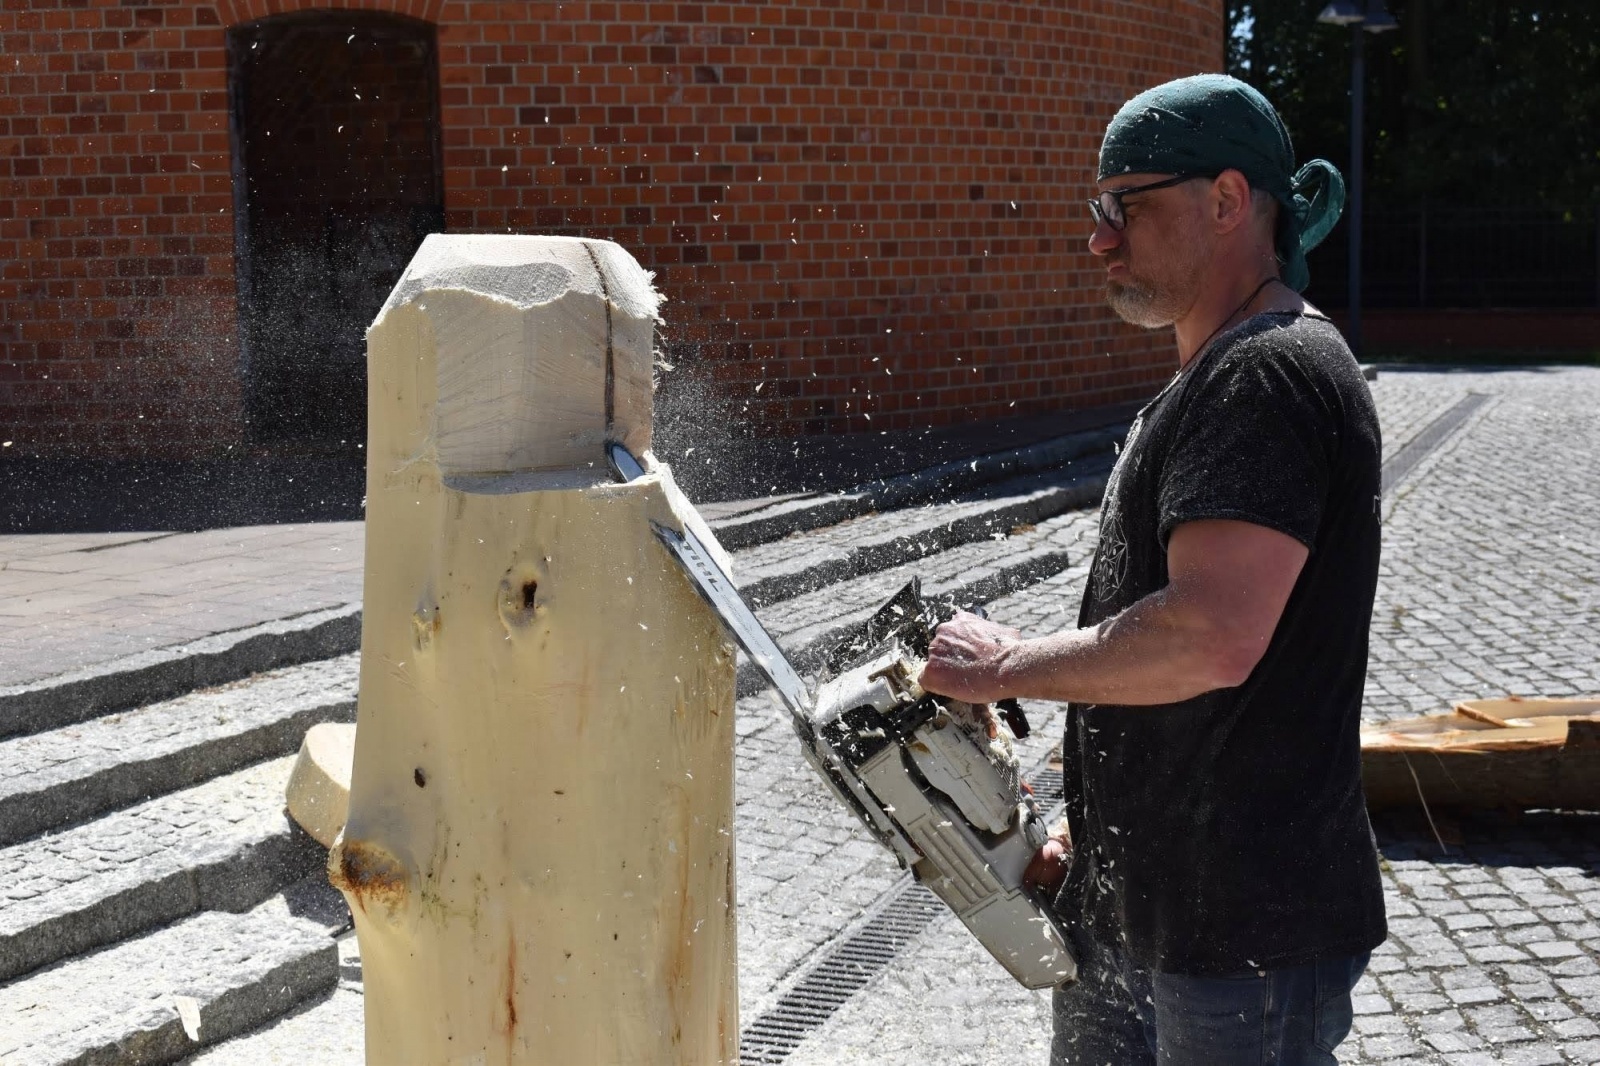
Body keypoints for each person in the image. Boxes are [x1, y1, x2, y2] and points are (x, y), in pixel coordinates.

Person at [919, 74, 1387, 1064]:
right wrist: (1089, 846)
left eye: (1124, 206)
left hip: (1241, 931)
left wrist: (1004, 666)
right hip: (1136, 906)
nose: (1098, 238)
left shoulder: (1266, 371)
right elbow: (1160, 667)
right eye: (1097, 209)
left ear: (1225, 200)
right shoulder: (1213, 374)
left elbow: (1210, 635)